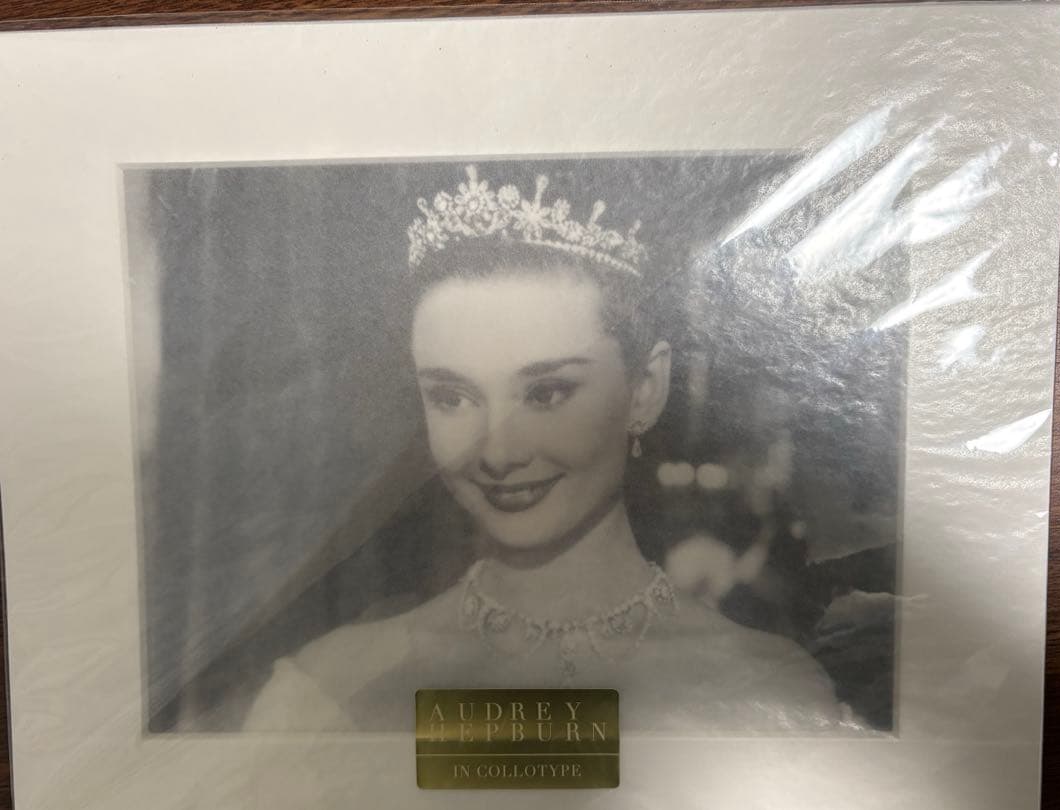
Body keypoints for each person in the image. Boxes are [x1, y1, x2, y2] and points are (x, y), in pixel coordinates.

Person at [243, 165, 852, 734]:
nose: (497, 453)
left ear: (645, 388)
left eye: (546, 393)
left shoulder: (768, 692)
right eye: (452, 397)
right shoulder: (327, 693)